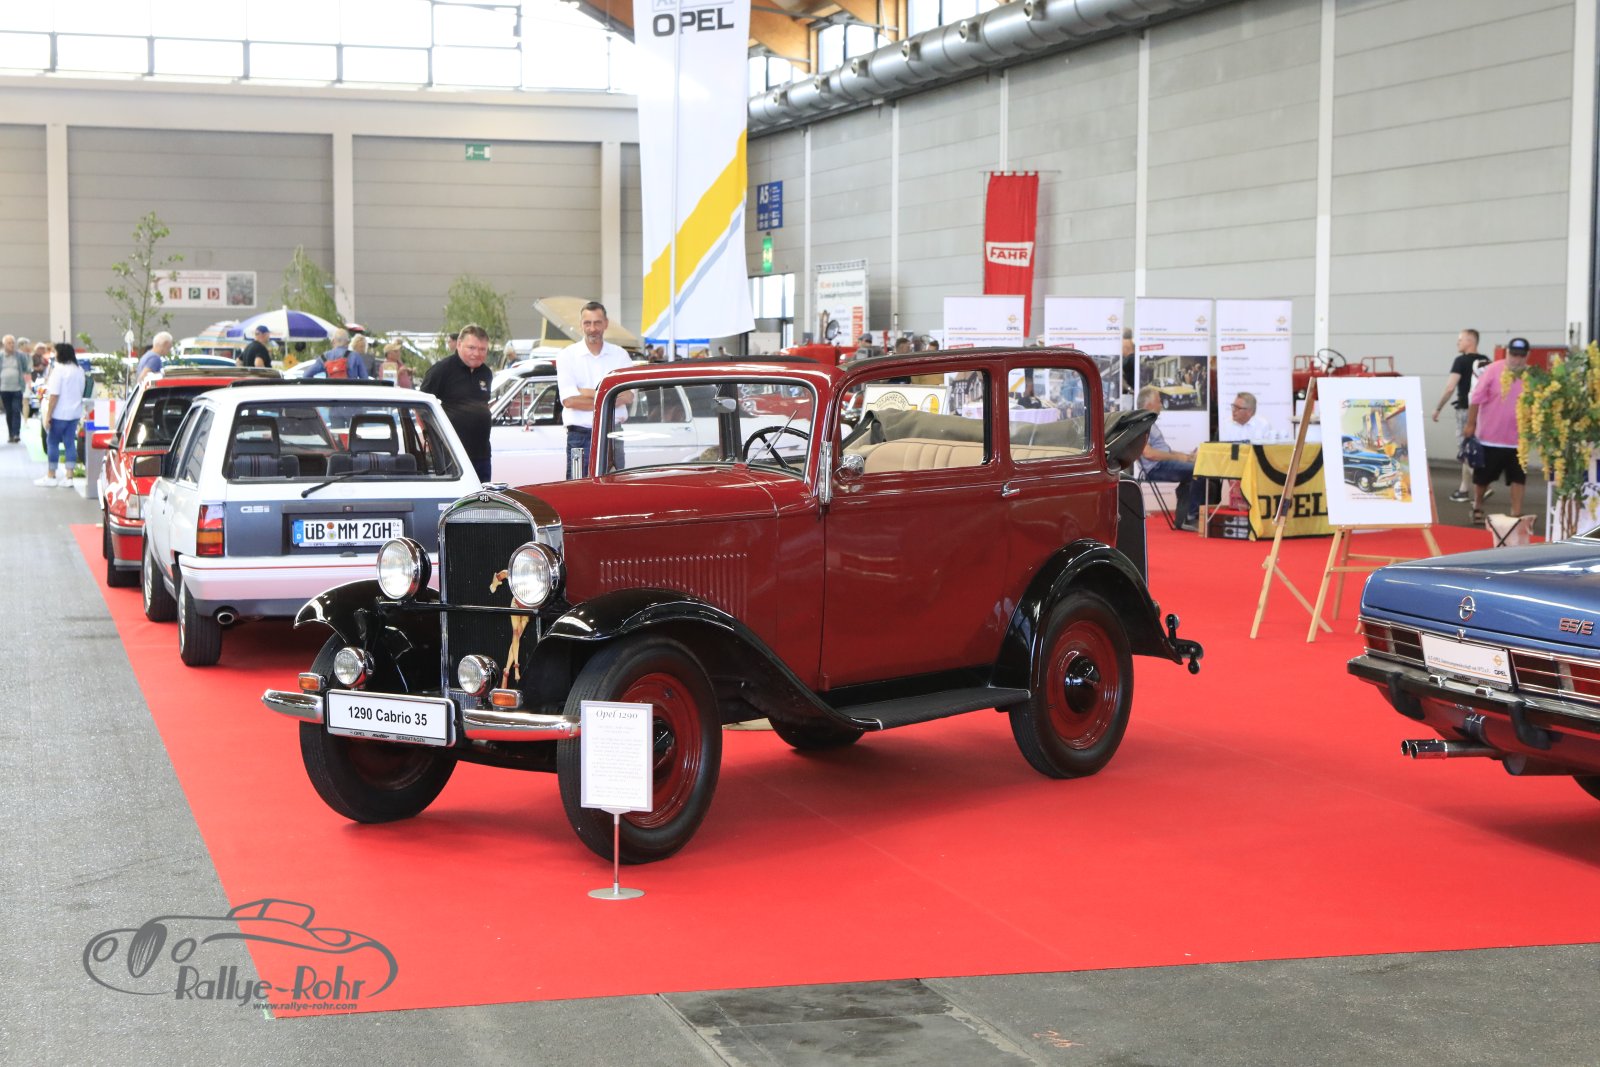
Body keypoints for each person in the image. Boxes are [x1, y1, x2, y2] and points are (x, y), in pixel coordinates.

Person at [557, 301, 634, 478]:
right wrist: (611, 396)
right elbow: (570, 401)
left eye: (597, 323)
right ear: (581, 325)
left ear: (606, 324)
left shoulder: (620, 355)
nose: (592, 329)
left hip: (613, 435)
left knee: (614, 489)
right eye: (587, 323)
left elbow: (628, 396)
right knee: (578, 489)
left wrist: (586, 392)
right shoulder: (567, 355)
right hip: (579, 436)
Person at [1463, 337, 1529, 523]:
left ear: (1527, 356)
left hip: (1518, 440)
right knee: (1483, 479)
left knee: (1518, 478)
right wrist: (1470, 424)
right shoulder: (1493, 370)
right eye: (1513, 355)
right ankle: (1477, 505)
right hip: (1490, 437)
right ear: (1507, 353)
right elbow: (1476, 399)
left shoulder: (1531, 376)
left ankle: (1516, 514)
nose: (1517, 360)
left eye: (1521, 356)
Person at [421, 322, 494, 482]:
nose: (477, 353)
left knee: (482, 495)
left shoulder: (486, 373)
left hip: (482, 453)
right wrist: (429, 437)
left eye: (482, 349)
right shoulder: (442, 369)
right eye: (471, 348)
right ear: (459, 344)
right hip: (451, 454)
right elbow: (421, 405)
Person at [1432, 328, 1490, 504]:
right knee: (1471, 449)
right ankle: (1464, 489)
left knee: (1465, 451)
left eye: (1461, 339)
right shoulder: (1486, 361)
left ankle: (1483, 484)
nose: (1458, 343)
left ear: (1470, 341)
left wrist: (1438, 407)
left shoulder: (1460, 361)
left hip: (1465, 410)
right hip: (1482, 411)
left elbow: (1450, 387)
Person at [1136, 384, 1200, 531]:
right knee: (1198, 471)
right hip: (1156, 468)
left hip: (1161, 464)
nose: (1161, 405)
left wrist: (1186, 456)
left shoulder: (1149, 422)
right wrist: (1177, 457)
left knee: (1196, 468)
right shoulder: (1141, 423)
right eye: (1159, 401)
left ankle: (1184, 518)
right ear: (1149, 405)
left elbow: (1163, 451)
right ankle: (1190, 517)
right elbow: (1149, 453)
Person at [35, 342, 86, 487]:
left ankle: (51, 475)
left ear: (61, 354)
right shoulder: (79, 370)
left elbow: (54, 395)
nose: (54, 355)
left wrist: (48, 415)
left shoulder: (58, 370)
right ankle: (69, 477)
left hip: (59, 413)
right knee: (70, 443)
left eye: (55, 352)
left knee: (52, 442)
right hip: (74, 413)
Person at [1, 334, 28, 442]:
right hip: (4, 388)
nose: (12, 345)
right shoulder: (1, 356)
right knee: (9, 412)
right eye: (9, 343)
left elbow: (25, 368)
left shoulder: (20, 356)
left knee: (16, 410)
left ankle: (16, 434)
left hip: (17, 388)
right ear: (4, 345)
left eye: (13, 342)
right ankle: (11, 434)